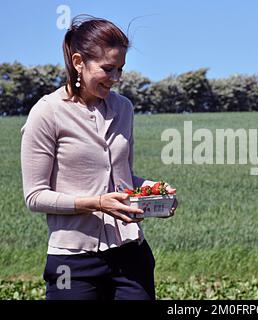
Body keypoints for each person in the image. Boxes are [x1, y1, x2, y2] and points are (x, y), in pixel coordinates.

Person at [20, 15, 177, 300]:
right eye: (108, 69)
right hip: (73, 262)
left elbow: (123, 178)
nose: (116, 78)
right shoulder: (47, 112)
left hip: (131, 256)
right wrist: (95, 203)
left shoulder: (124, 108)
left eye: (121, 69)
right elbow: (35, 196)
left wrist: (153, 191)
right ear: (79, 62)